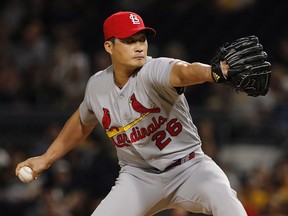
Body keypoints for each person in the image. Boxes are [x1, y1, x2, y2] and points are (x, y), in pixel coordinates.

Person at [16, 11, 248, 216]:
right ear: (109, 46)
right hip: (138, 177)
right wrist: (46, 159)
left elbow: (185, 71)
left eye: (142, 39)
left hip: (189, 168)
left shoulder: (153, 70)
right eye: (129, 41)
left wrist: (214, 72)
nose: (139, 46)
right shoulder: (97, 86)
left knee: (228, 204)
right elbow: (82, 122)